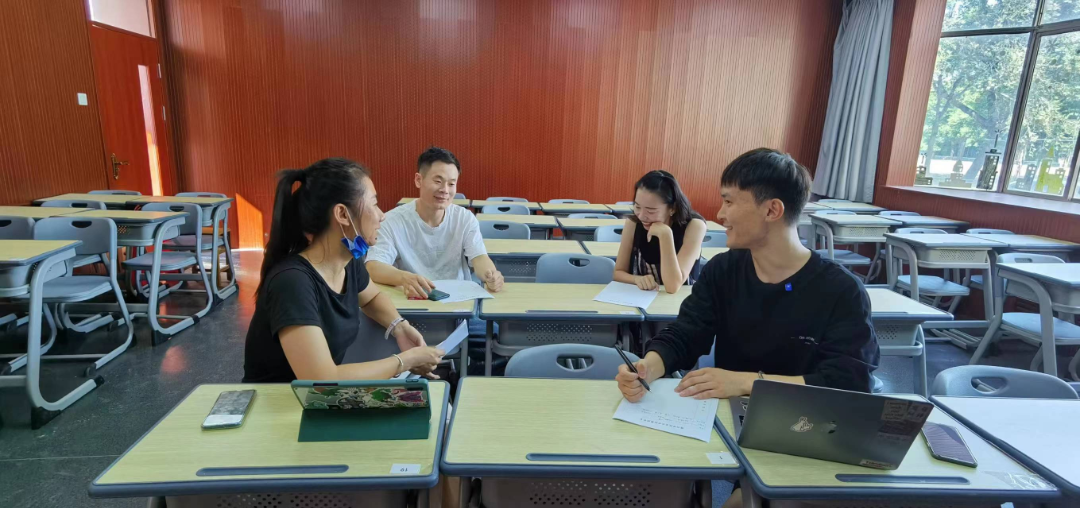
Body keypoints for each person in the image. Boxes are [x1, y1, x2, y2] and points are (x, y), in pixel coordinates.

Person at [616, 148, 878, 402]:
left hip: (806, 420)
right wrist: (648, 367)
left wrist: (748, 382)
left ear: (772, 210)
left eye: (729, 201)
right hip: (731, 417)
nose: (720, 214)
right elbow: (686, 334)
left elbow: (849, 383)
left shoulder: (841, 290)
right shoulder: (723, 270)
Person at [243, 158, 444, 383]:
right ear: (342, 214)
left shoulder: (348, 261)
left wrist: (400, 327)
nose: (381, 215)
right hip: (277, 400)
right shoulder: (292, 283)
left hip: (320, 398)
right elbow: (321, 378)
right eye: (374, 204)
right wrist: (404, 361)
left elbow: (372, 297)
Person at [366, 147, 504, 298]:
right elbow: (373, 266)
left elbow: (479, 257)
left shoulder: (464, 218)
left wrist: (491, 275)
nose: (445, 190)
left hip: (457, 303)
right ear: (418, 180)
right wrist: (404, 278)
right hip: (412, 303)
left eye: (451, 184)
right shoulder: (392, 221)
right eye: (438, 181)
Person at [613, 170, 707, 293]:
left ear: (672, 208)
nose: (641, 216)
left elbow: (673, 286)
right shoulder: (633, 223)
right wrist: (636, 279)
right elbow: (618, 272)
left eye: (651, 211)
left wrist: (665, 235)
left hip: (681, 300)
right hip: (641, 298)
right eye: (637, 207)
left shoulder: (694, 226)